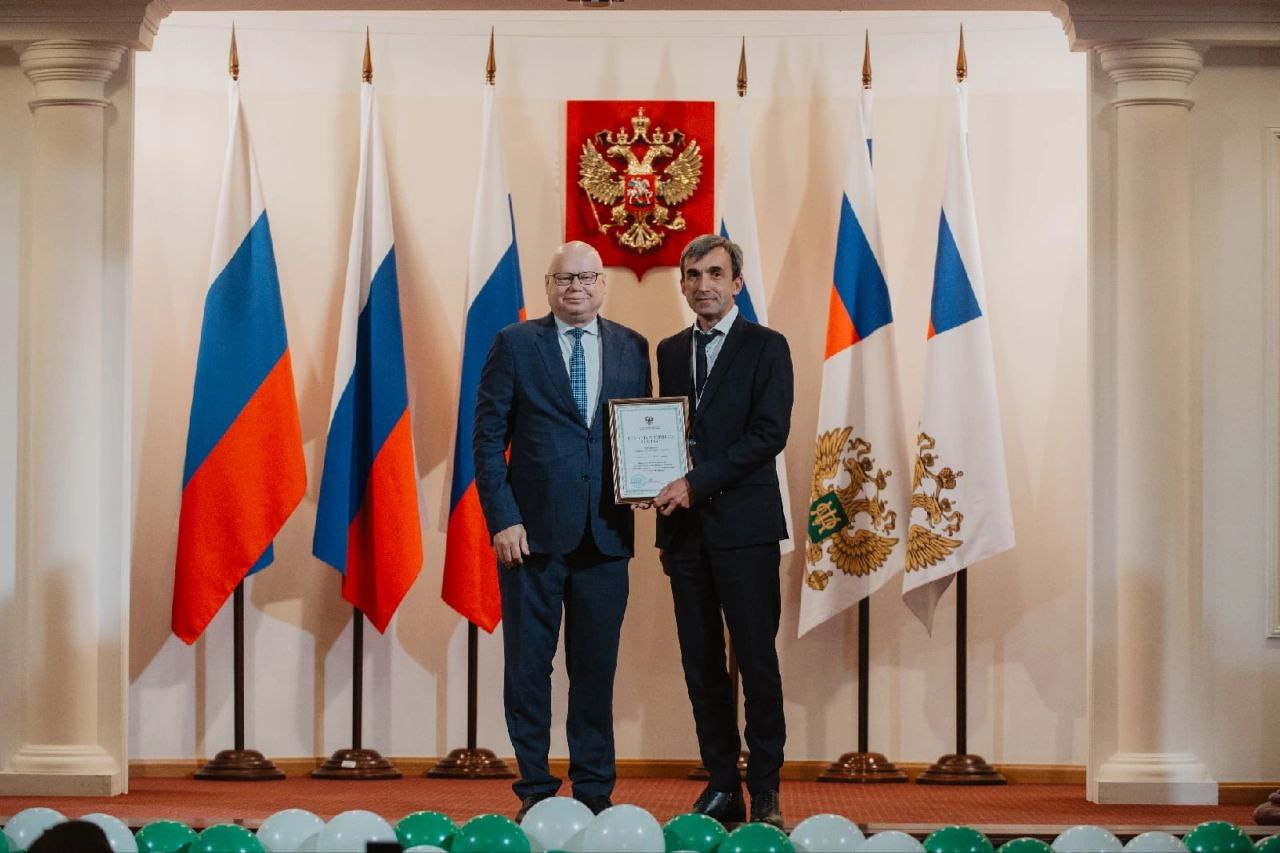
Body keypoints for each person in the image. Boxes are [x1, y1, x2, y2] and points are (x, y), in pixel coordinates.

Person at [474, 240, 652, 822]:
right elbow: (486, 439)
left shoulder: (632, 346)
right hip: (530, 537)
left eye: (586, 277)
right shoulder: (514, 344)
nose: (576, 287)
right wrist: (503, 518)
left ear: (603, 284)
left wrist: (651, 479)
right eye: (564, 278)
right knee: (529, 668)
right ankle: (534, 788)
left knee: (595, 670)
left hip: (606, 535)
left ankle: (595, 789)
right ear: (547, 286)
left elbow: (641, 431)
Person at [652, 233, 793, 828]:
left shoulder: (767, 346)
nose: (703, 284)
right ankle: (721, 784)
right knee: (700, 662)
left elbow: (769, 434)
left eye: (715, 273)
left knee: (756, 660)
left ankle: (765, 789)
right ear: (683, 285)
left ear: (737, 283)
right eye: (693, 275)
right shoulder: (668, 350)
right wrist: (649, 483)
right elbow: (661, 433)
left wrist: (695, 482)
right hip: (684, 535)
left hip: (746, 530)